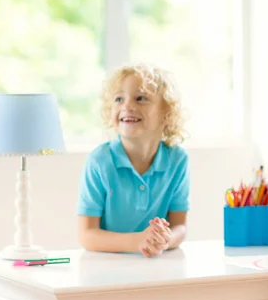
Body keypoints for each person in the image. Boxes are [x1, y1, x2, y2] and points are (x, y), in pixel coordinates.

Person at [77, 63, 190, 258]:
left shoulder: (177, 160)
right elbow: (87, 235)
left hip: (155, 266)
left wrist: (165, 240)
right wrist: (138, 241)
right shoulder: (99, 162)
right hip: (106, 267)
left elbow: (179, 226)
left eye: (141, 98)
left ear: (166, 114)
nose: (127, 106)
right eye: (119, 99)